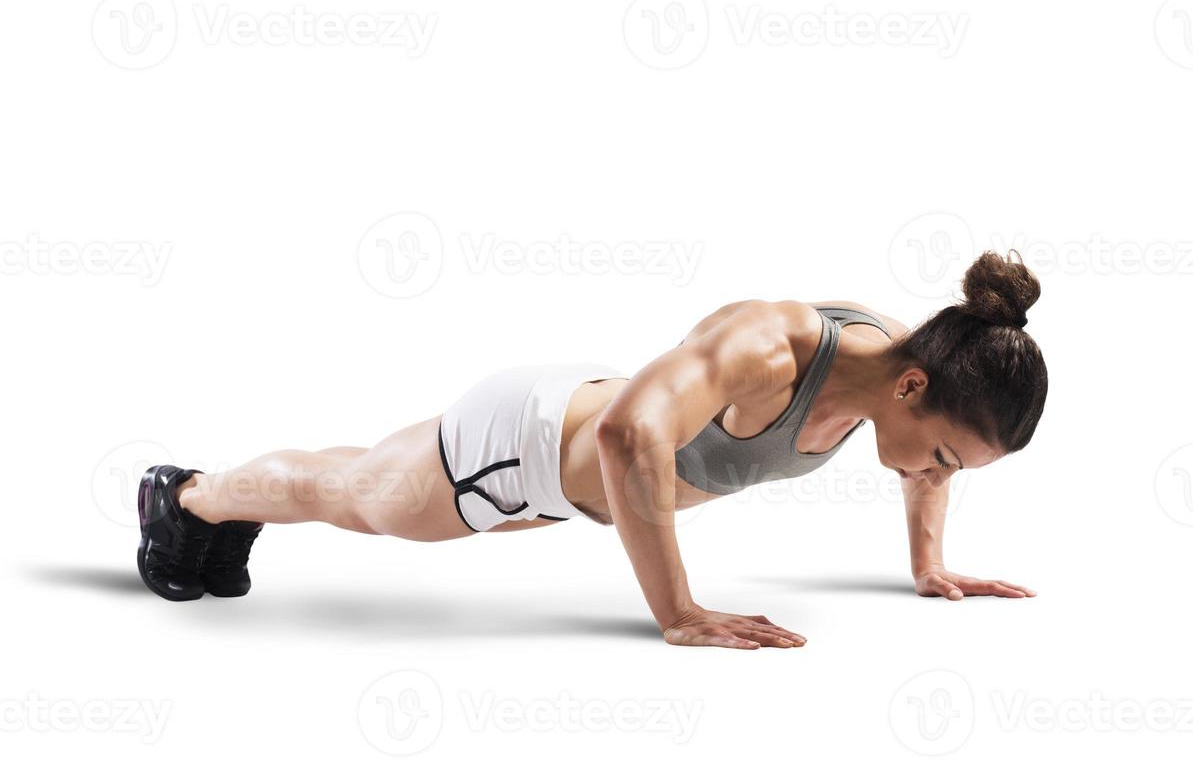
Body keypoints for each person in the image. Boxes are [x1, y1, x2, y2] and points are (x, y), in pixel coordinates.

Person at [136, 250, 1048, 650]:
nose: (933, 476)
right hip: (528, 446)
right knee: (356, 500)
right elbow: (627, 433)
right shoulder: (771, 344)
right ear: (912, 390)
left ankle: (220, 510)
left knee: (362, 471)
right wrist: (679, 611)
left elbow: (920, 465)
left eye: (951, 472)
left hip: (568, 479)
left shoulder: (910, 370)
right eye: (945, 459)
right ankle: (188, 500)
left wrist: (929, 564)